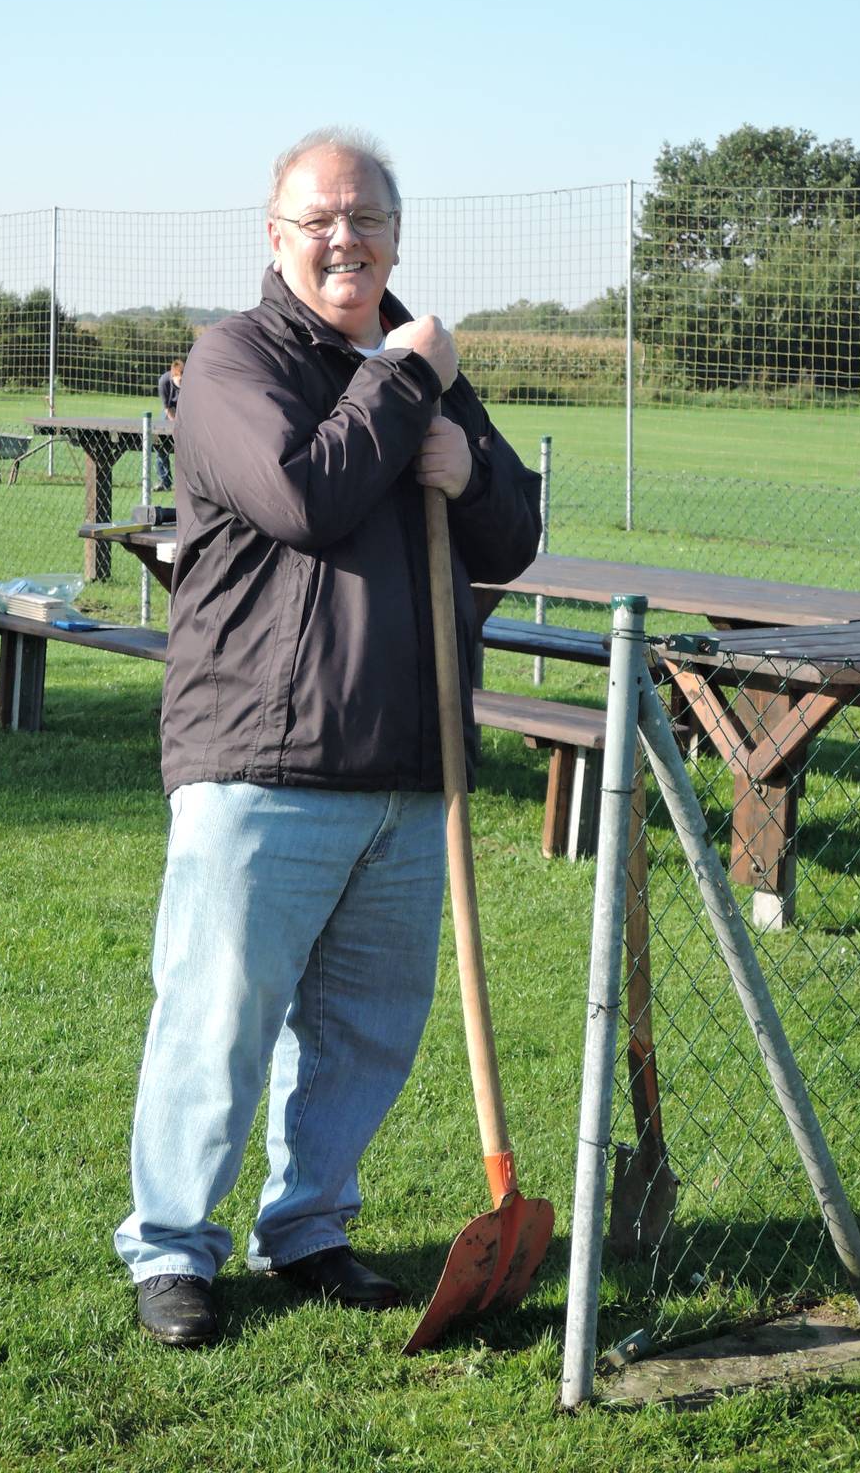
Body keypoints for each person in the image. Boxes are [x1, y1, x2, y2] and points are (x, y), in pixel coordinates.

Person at [113, 127, 542, 1347]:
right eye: (320, 219)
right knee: (218, 1017)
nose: (345, 238)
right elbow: (306, 496)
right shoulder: (233, 362)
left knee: (363, 1030)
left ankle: (307, 1226)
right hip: (265, 757)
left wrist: (466, 472)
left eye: (367, 218)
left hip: (410, 764)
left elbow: (514, 536)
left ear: (397, 235)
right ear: (277, 236)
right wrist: (407, 384)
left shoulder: (423, 366)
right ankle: (171, 1247)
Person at [154, 358, 183, 491]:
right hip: (170, 411)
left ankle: (186, 483)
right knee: (160, 445)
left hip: (186, 412)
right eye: (179, 380)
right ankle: (164, 481)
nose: (181, 382)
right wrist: (174, 424)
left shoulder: (191, 381)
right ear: (173, 376)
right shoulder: (164, 381)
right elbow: (167, 407)